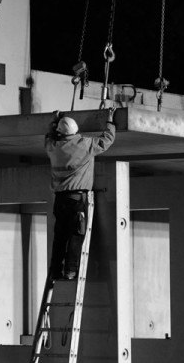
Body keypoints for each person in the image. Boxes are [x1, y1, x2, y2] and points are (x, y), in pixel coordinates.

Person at [45, 110, 116, 280]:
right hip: (76, 200)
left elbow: (49, 136)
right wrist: (110, 121)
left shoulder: (52, 147)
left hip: (60, 200)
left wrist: (53, 122)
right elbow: (107, 140)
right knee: (76, 235)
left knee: (60, 238)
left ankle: (55, 270)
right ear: (75, 131)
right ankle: (70, 270)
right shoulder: (84, 144)